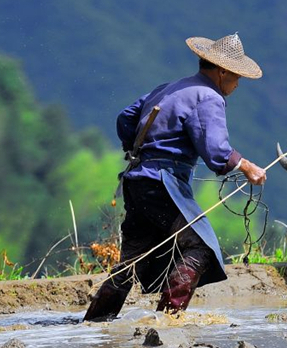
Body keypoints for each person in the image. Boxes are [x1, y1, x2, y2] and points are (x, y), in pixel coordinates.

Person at [84, 33, 267, 321]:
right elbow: (217, 153)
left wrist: (137, 147)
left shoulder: (169, 88)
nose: (238, 83)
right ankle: (168, 321)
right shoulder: (209, 97)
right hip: (162, 185)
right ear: (222, 72)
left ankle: (93, 323)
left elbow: (125, 118)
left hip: (137, 181)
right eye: (237, 76)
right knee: (199, 248)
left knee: (130, 264)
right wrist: (246, 166)